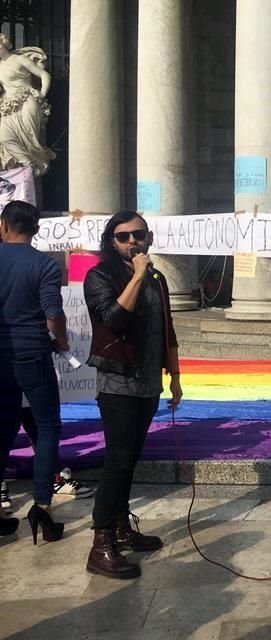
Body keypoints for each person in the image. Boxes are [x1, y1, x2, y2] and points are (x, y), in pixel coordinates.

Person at [84, 211, 182, 579]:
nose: (132, 242)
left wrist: (175, 375)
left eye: (138, 235)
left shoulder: (158, 279)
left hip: (148, 382)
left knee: (131, 457)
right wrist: (138, 276)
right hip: (118, 381)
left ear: (149, 237)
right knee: (118, 460)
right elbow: (112, 319)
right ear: (112, 241)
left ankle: (122, 527)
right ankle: (101, 543)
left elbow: (167, 328)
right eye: (123, 237)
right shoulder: (100, 276)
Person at [0, 200, 66, 542]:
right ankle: (42, 505)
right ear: (36, 230)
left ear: (4, 226)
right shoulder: (44, 264)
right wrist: (62, 341)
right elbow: (53, 313)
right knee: (47, 426)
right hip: (33, 354)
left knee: (4, 428)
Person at [0, 33, 56, 175]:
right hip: (8, 106)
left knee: (30, 140)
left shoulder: (19, 59)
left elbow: (44, 75)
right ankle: (29, 167)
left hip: (26, 102)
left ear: (4, 44)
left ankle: (31, 169)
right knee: (4, 137)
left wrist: (42, 94)